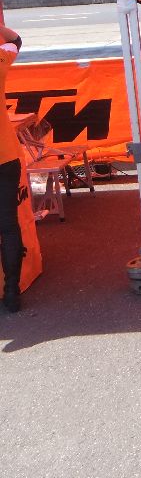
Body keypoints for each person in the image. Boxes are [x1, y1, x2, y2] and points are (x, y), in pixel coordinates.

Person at [0, 25, 24, 312]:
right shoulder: (1, 60)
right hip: (6, 157)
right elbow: (16, 40)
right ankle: (12, 291)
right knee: (8, 225)